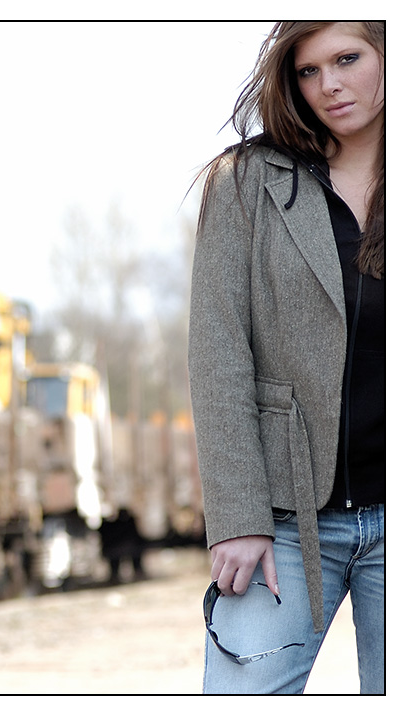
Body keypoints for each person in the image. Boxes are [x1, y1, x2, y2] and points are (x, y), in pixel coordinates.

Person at [188, 22, 384, 694]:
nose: (329, 84)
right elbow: (217, 355)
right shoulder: (247, 184)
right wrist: (237, 518)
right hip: (286, 524)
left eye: (348, 59)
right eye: (308, 70)